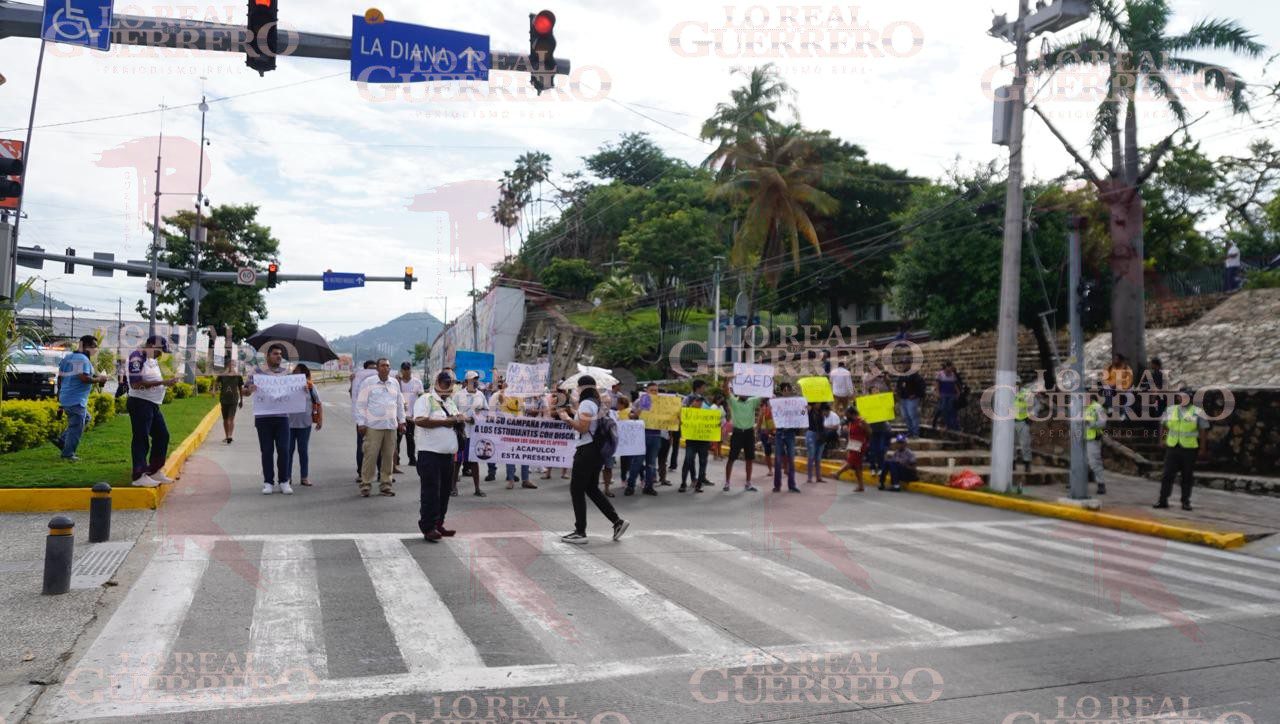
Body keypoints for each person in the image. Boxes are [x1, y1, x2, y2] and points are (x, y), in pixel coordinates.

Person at [557, 375, 628, 545]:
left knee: (576, 489)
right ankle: (617, 521)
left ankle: (580, 532)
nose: (576, 391)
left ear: (582, 388)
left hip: (586, 450)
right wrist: (572, 413)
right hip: (596, 451)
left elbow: (583, 428)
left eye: (577, 388)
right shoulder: (596, 403)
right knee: (591, 488)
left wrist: (566, 418)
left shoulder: (587, 403)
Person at [414, 371, 466, 542]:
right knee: (431, 492)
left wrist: (460, 419)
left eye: (451, 382)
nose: (448, 385)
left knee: (444, 492)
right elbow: (419, 420)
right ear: (437, 382)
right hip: (430, 453)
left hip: (447, 455)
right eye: (445, 382)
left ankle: (438, 524)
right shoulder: (426, 399)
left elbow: (454, 421)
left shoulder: (450, 402)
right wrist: (446, 422)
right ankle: (428, 527)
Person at [243, 344, 296, 495]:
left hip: (282, 417)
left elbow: (294, 390)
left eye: (280, 354)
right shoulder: (256, 372)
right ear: (268, 356)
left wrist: (303, 389)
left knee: (284, 450)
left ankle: (284, 481)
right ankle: (268, 482)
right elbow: (244, 390)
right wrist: (249, 389)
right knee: (266, 451)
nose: (279, 356)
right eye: (275, 354)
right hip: (263, 417)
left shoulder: (286, 373)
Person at [126, 335, 178, 487]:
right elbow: (136, 384)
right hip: (140, 403)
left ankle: (154, 471)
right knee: (141, 438)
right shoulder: (137, 357)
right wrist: (163, 382)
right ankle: (138, 475)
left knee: (162, 436)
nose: (160, 354)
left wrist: (165, 383)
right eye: (159, 350)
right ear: (150, 345)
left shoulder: (152, 359)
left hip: (152, 404)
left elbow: (151, 380)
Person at [354, 358, 405, 498]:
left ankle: (386, 485)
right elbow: (361, 404)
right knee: (370, 456)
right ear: (377, 368)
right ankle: (366, 485)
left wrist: (402, 421)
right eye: (382, 365)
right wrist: (361, 422)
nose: (385, 368)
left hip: (390, 426)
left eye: (387, 366)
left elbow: (399, 403)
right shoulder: (368, 382)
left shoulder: (394, 383)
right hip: (373, 426)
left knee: (388, 457)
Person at [55, 335, 108, 462]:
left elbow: (60, 378)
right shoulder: (82, 359)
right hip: (76, 399)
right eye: (94, 346)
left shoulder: (68, 357)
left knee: (86, 418)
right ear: (85, 346)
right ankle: (68, 454)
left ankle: (62, 440)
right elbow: (84, 378)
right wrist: (99, 379)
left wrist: (60, 396)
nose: (96, 349)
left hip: (66, 397)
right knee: (76, 427)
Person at [1155, 390, 1209, 512]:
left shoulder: (1198, 412)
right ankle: (1163, 500)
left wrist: (1202, 448)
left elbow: (1203, 431)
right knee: (1167, 475)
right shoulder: (1170, 409)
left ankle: (1185, 502)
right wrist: (1162, 439)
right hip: (1172, 446)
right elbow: (1164, 425)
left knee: (1187, 476)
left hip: (1189, 448)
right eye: (1181, 397)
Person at [453, 371, 489, 497]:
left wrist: (480, 413)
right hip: (461, 433)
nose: (475, 381)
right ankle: (453, 487)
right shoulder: (458, 395)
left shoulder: (480, 395)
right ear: (466, 381)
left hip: (475, 434)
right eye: (473, 379)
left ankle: (477, 488)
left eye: (476, 379)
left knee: (474, 461)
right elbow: (453, 411)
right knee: (457, 461)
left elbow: (486, 411)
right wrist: (464, 419)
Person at [723, 383, 763, 492]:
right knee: (731, 458)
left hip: (749, 433)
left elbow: (764, 393)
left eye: (746, 391)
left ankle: (748, 483)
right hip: (737, 433)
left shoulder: (752, 401)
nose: (745, 393)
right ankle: (727, 483)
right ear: (738, 392)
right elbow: (726, 391)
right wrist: (727, 380)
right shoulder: (733, 401)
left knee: (749, 459)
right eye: (742, 391)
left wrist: (769, 380)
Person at [289, 364, 323, 487]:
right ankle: (287, 477)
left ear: (304, 374)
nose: (295, 374)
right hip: (288, 424)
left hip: (305, 424)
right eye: (294, 372)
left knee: (303, 451)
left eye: (298, 372)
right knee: (288, 451)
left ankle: (304, 477)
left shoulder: (310, 386)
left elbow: (318, 403)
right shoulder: (288, 386)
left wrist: (320, 420)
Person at [627, 382, 663, 496]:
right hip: (641, 435)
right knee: (637, 462)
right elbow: (631, 416)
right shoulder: (639, 401)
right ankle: (630, 486)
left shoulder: (662, 402)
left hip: (656, 435)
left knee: (651, 464)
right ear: (646, 391)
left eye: (656, 390)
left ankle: (649, 486)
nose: (654, 392)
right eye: (652, 390)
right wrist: (641, 409)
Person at [349, 360, 378, 482]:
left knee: (379, 446)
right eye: (370, 369)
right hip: (363, 419)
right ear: (364, 370)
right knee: (362, 446)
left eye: (375, 369)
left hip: (378, 419)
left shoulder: (381, 381)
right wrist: (352, 382)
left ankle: (381, 474)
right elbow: (353, 396)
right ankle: (361, 473)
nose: (372, 372)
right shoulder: (359, 380)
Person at [395, 362, 424, 474]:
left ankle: (412, 459)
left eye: (408, 369)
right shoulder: (397, 382)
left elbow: (421, 398)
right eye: (404, 369)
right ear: (401, 370)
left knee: (410, 438)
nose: (406, 371)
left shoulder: (417, 382)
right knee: (397, 439)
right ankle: (396, 459)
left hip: (411, 416)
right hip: (399, 416)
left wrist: (419, 413)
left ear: (411, 369)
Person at [680, 394, 711, 493]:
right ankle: (683, 484)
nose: (700, 403)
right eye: (697, 401)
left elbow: (712, 425)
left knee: (703, 463)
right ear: (692, 402)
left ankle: (699, 485)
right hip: (691, 442)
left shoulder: (706, 413)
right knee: (687, 461)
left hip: (703, 442)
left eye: (701, 401)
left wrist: (716, 425)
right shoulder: (686, 413)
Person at [772, 382, 800, 493]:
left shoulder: (795, 403)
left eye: (789, 390)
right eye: (785, 390)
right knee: (778, 460)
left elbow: (801, 414)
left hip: (790, 433)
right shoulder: (777, 403)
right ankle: (777, 485)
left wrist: (805, 409)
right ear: (782, 391)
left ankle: (792, 485)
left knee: (791, 460)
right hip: (779, 433)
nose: (787, 392)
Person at [832, 407, 869, 491]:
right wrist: (848, 447)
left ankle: (838, 473)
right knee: (857, 467)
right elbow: (850, 435)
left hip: (860, 445)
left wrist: (865, 426)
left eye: (848, 415)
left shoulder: (861, 421)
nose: (846, 417)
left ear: (853, 414)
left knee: (851, 462)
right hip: (852, 444)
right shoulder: (851, 422)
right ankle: (861, 486)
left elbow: (869, 432)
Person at [1013, 374, 1041, 479]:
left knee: (1025, 444)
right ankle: (1012, 463)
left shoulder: (1026, 393)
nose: (1015, 385)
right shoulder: (1007, 393)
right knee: (1011, 445)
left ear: (1020, 383)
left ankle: (1027, 463)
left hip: (1023, 422)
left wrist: (1032, 415)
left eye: (1017, 383)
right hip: (1010, 422)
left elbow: (1037, 405)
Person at [1084, 398, 1107, 496]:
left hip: (1093, 438)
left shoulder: (1097, 407)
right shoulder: (1081, 407)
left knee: (1095, 463)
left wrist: (1090, 423)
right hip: (1081, 439)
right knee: (1079, 461)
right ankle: (1076, 481)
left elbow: (1103, 423)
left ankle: (1101, 484)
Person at [216, 363, 244, 445]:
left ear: (234, 366)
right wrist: (214, 391)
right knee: (225, 419)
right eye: (229, 365)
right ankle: (226, 436)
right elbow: (216, 382)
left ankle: (229, 436)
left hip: (233, 400)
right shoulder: (222, 375)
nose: (231, 367)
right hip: (223, 400)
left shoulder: (238, 376)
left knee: (230, 418)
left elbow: (240, 388)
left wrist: (241, 400)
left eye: (232, 365)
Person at [895, 367, 925, 439]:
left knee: (913, 416)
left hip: (912, 399)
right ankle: (910, 432)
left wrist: (915, 394)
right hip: (903, 399)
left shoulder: (916, 376)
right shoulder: (902, 376)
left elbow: (922, 386)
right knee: (906, 416)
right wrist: (899, 394)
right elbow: (898, 386)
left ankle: (915, 433)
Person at [935, 361, 959, 431]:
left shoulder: (953, 374)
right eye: (951, 367)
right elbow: (937, 384)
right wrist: (937, 392)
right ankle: (947, 424)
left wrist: (958, 392)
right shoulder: (940, 374)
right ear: (947, 367)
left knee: (950, 409)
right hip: (943, 394)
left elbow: (954, 384)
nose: (952, 368)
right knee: (944, 409)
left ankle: (952, 425)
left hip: (951, 395)